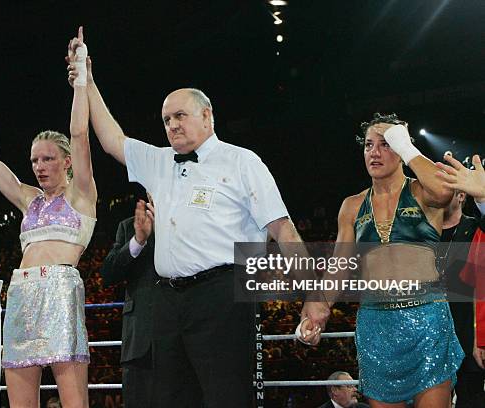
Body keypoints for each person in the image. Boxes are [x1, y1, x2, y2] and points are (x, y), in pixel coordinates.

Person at [67, 29, 329, 407]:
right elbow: (111, 139)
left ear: (207, 116)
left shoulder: (242, 161)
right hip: (167, 301)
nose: (172, 124)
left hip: (224, 296)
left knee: (228, 398)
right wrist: (86, 79)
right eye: (166, 119)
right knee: (172, 399)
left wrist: (314, 294)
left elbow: (282, 228)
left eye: (180, 115)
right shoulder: (158, 161)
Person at [0, 26, 96, 408]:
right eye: (35, 160)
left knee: (74, 403)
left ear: (67, 161)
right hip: (21, 291)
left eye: (48, 158)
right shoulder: (29, 201)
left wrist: (81, 80)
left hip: (59, 290)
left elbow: (80, 132)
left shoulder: (82, 197)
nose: (39, 166)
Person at [326, 113, 464, 407]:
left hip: (427, 319)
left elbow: (443, 190)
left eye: (386, 144)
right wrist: (317, 306)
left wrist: (405, 146)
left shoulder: (423, 192)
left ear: (402, 149)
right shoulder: (351, 206)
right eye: (368, 145)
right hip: (376, 324)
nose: (374, 152)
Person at [436, 154, 484, 407]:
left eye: (448, 188)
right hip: (429, 344)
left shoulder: (477, 228)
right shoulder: (419, 232)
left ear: (462, 195)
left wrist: (484, 198)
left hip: (469, 341)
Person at [100, 199, 156, 407]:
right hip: (141, 339)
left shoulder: (193, 222)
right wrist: (138, 241)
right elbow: (108, 274)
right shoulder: (128, 226)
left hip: (186, 334)